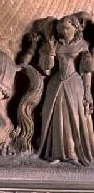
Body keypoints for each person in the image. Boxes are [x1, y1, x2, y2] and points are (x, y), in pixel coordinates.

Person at [38, 14, 94, 165]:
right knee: (56, 117)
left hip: (75, 83)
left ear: (76, 28)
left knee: (74, 118)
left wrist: (88, 92)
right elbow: (47, 69)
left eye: (67, 29)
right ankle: (56, 153)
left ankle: (73, 154)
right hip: (56, 83)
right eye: (61, 29)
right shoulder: (56, 44)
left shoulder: (83, 45)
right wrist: (49, 53)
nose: (64, 32)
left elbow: (87, 70)